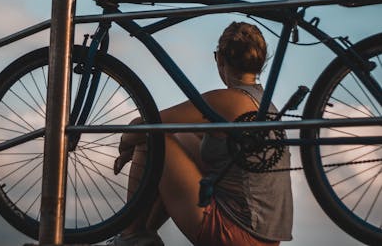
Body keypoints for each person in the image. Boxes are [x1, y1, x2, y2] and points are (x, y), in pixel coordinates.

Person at [111, 22, 293, 246]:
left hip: (234, 233)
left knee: (154, 137)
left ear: (219, 59)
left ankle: (130, 236)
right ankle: (144, 234)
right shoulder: (264, 105)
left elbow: (142, 125)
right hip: (265, 238)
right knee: (179, 135)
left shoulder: (226, 101)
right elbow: (183, 133)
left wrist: (125, 144)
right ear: (260, 63)